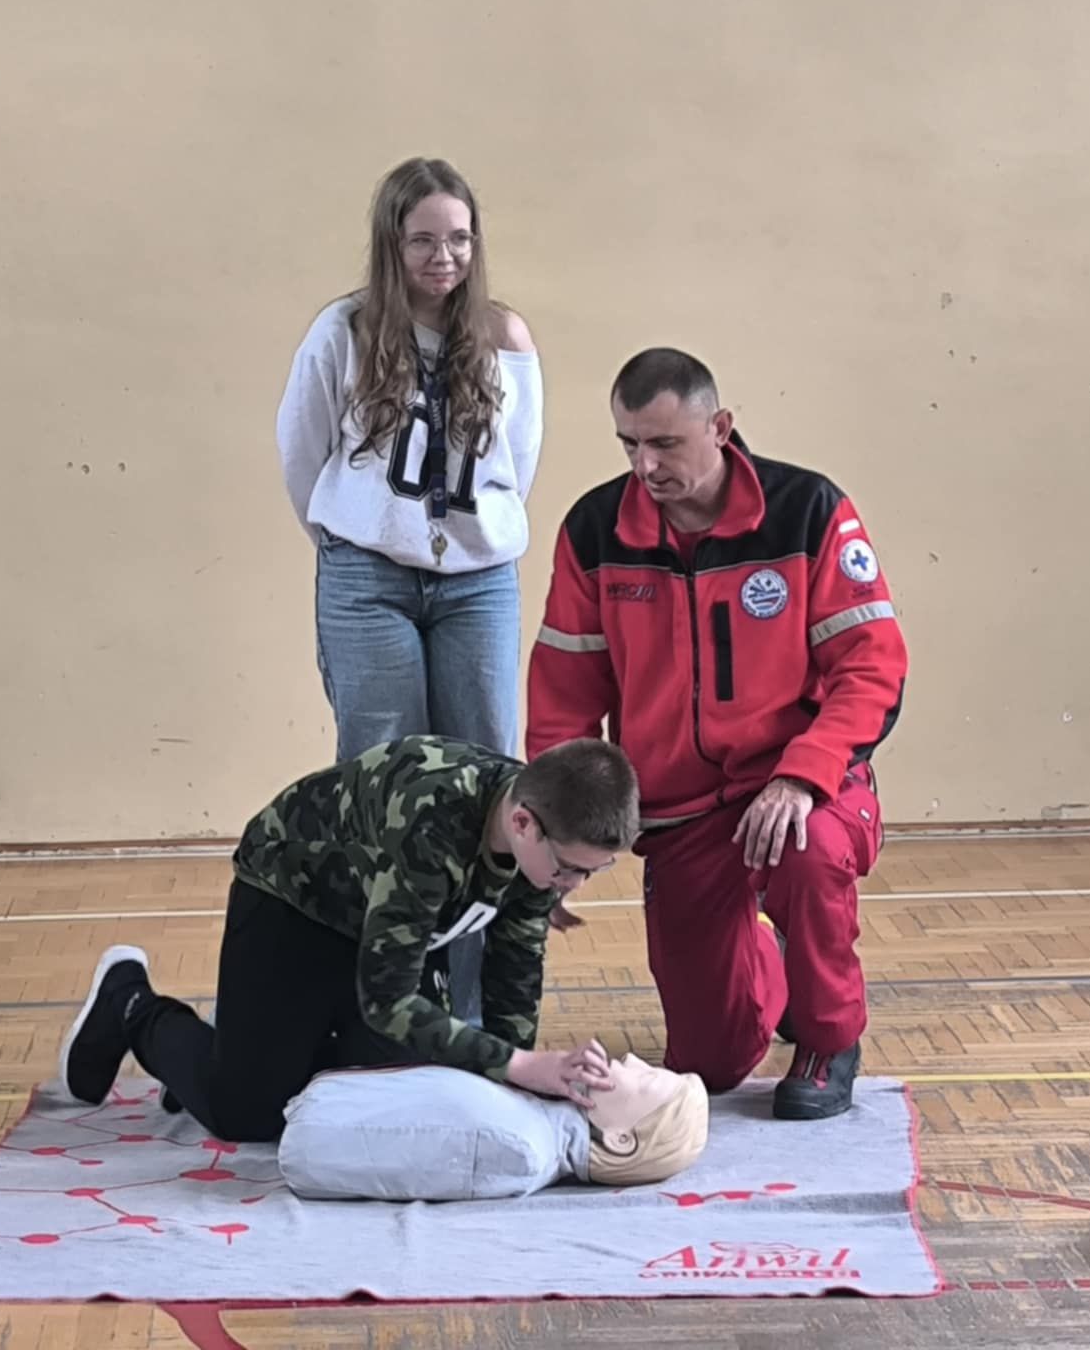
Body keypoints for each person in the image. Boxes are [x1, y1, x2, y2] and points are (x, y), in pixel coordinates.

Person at [525, 348, 908, 1121]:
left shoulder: (809, 511)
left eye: (665, 444)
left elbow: (871, 667)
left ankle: (829, 1040)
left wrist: (803, 775)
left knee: (808, 852)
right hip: (680, 810)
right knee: (712, 1064)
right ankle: (772, 962)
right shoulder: (596, 531)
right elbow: (565, 696)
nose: (645, 466)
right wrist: (560, 835)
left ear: (721, 428)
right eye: (630, 444)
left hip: (800, 786)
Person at [52, 734, 639, 1141]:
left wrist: (523, 1087)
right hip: (294, 901)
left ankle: (228, 1058)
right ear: (522, 823)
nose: (574, 886)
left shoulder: (544, 845)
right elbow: (387, 1001)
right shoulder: (433, 820)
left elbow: (515, 968)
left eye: (593, 872)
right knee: (248, 1116)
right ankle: (133, 1006)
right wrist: (517, 1064)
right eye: (571, 869)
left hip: (388, 925)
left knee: (405, 1091)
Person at [275, 156, 543, 1018]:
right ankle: (381, 1005)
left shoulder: (504, 338)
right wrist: (355, 539)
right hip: (368, 580)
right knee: (382, 780)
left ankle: (470, 1011)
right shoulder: (345, 331)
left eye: (460, 239)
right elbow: (301, 452)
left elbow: (516, 467)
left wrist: (465, 544)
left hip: (476, 584)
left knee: (491, 780)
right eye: (424, 240)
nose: (444, 257)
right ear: (391, 242)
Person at [275, 1051, 711, 1200]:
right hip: (321, 1095)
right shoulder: (534, 1120)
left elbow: (310, 1145)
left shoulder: (517, 1149)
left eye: (646, 1079)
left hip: (311, 1119)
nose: (632, 1059)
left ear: (619, 1140)